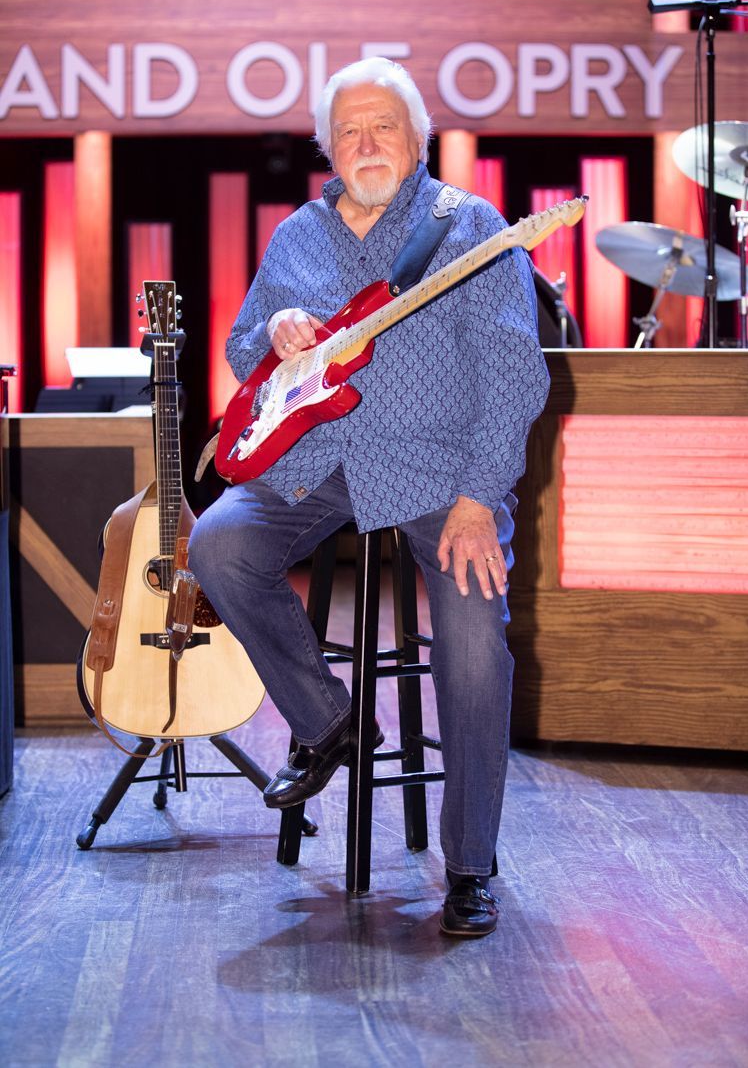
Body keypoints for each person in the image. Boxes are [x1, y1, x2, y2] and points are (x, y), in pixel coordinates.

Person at [189, 57, 550, 937]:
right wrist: (272, 334)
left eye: (382, 124)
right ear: (325, 145)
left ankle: (469, 865)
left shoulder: (469, 228)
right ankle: (331, 721)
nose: (365, 142)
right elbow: (244, 350)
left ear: (417, 137)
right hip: (317, 459)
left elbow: (513, 374)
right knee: (216, 545)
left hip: (442, 471)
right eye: (348, 129)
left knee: (471, 640)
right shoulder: (296, 238)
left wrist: (479, 497)